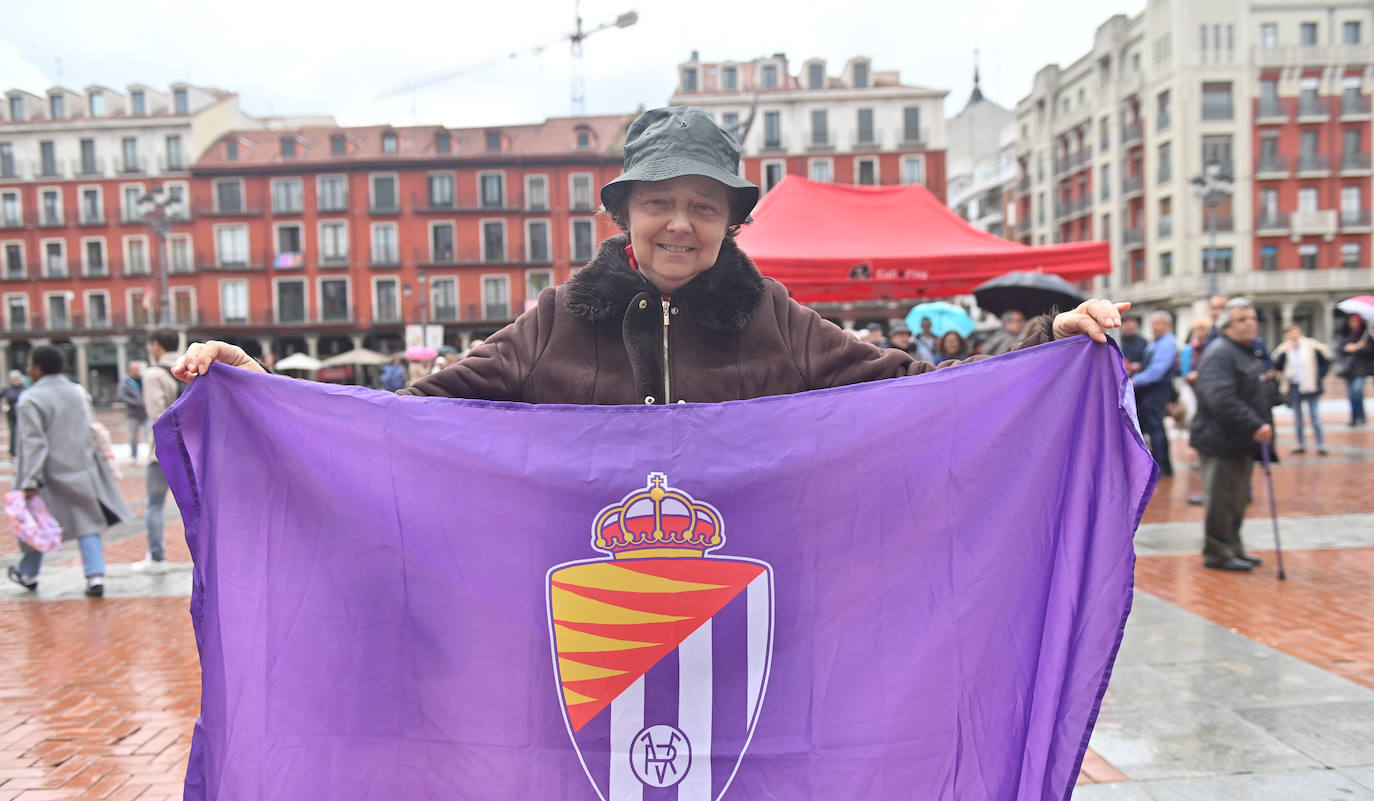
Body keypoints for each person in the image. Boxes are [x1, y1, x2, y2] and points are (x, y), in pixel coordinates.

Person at [173, 106, 1126, 414]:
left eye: (703, 207)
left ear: (729, 223)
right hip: (575, 607)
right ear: (626, 213)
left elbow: (924, 392)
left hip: (751, 602)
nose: (681, 224)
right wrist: (267, 391)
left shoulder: (777, 321)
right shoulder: (557, 319)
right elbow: (404, 419)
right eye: (660, 202)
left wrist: (1050, 342)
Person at [9, 345, 131, 596]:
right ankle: (95, 576)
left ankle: (28, 573)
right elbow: (90, 428)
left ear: (38, 368)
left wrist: (29, 479)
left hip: (48, 474)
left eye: (31, 364)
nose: (29, 369)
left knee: (37, 523)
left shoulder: (30, 399)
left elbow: (34, 443)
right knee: (87, 523)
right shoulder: (78, 393)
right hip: (82, 468)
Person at [1189, 301, 1272, 572]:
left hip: (1241, 441)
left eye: (1252, 318)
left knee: (1237, 500)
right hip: (1221, 440)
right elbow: (1221, 399)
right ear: (1226, 325)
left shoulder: (1245, 352)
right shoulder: (1221, 353)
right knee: (1222, 501)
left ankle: (1233, 547)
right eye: (1241, 319)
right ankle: (1217, 552)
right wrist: (1253, 424)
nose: (1250, 323)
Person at [132, 328, 182, 575]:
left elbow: (157, 415)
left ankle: (157, 557)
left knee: (154, 505)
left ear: (157, 345)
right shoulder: (191, 368)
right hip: (194, 449)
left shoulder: (153, 374)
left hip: (163, 452)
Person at [1272, 323, 1333, 455]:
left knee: (1314, 415)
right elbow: (1277, 366)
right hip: (1294, 385)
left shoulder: (1311, 346)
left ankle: (1320, 443)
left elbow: (1325, 362)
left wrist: (1319, 376)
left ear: (1300, 332)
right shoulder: (1284, 349)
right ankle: (1300, 443)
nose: (1293, 335)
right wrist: (1283, 353)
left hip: (1311, 384)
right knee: (1298, 416)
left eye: (1295, 332)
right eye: (1289, 333)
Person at [1132, 312, 1179, 477]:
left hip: (1157, 390)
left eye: (1160, 323)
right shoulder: (1156, 342)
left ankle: (1161, 467)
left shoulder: (1167, 343)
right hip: (1152, 390)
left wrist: (1135, 380)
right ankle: (1163, 465)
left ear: (1168, 325)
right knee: (1155, 427)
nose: (1156, 327)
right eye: (1154, 323)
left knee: (1156, 427)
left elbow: (1157, 371)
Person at [1336, 312, 1372, 426]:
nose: (1354, 323)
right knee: (1352, 394)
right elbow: (1339, 349)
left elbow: (1371, 352)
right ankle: (1355, 417)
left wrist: (1361, 347)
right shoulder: (1344, 334)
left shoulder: (1365, 335)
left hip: (1361, 368)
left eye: (1356, 321)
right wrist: (1348, 348)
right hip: (1348, 368)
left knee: (1357, 390)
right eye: (1352, 321)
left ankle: (1360, 416)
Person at [116, 361, 148, 460]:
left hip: (145, 412)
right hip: (133, 413)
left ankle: (152, 454)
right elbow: (121, 396)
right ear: (130, 370)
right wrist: (136, 402)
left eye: (137, 369)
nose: (136, 371)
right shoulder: (125, 382)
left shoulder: (144, 380)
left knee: (150, 433)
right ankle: (134, 454)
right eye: (134, 369)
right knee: (133, 436)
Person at [3, 369, 26, 458]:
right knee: (13, 433)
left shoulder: (25, 388)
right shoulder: (7, 389)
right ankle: (13, 452)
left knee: (22, 432)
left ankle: (22, 450)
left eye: (17, 379)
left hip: (22, 414)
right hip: (11, 414)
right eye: (14, 379)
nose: (16, 381)